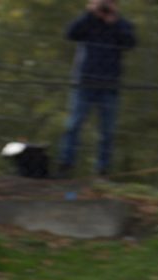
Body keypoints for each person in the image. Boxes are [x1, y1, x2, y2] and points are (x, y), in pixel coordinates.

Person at [57, 0, 137, 179]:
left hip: (109, 86)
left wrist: (113, 22)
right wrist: (89, 14)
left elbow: (130, 43)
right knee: (73, 126)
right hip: (84, 82)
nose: (105, 6)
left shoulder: (122, 24)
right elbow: (70, 34)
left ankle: (102, 171)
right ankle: (65, 165)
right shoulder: (88, 22)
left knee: (107, 131)